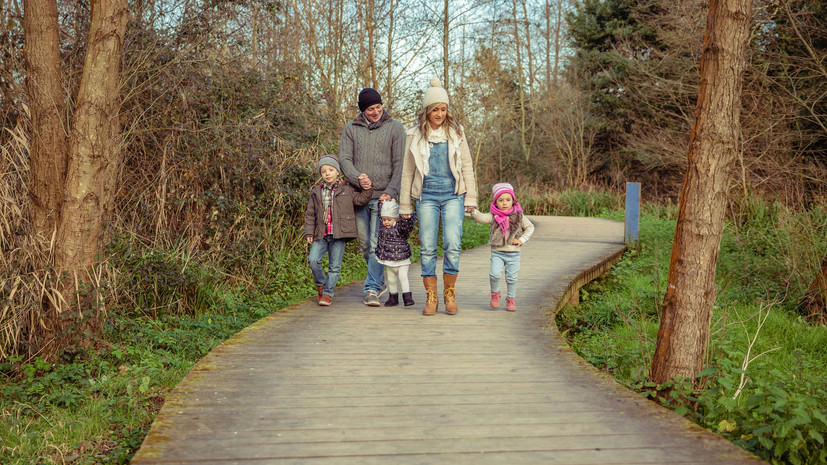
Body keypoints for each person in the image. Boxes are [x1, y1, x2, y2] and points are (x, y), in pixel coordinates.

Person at [399, 78, 478, 316]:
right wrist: (404, 203)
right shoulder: (414, 135)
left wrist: (471, 197)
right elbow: (407, 171)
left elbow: (466, 165)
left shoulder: (456, 132)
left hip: (453, 195)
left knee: (453, 244)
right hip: (427, 197)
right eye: (436, 109)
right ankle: (431, 296)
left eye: (443, 109)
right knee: (427, 247)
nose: (440, 114)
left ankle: (449, 293)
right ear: (427, 110)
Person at [339, 87, 407, 307]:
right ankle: (379, 279)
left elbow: (400, 163)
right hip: (359, 197)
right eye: (371, 109)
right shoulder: (351, 129)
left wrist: (392, 190)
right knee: (366, 245)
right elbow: (344, 159)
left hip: (384, 198)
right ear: (363, 110)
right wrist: (358, 178)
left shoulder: (395, 128)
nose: (376, 112)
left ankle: (371, 288)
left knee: (378, 243)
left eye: (378, 107)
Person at [303, 155, 373, 306]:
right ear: (321, 174)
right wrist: (309, 232)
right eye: (323, 171)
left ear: (338, 172)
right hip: (320, 234)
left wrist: (367, 189)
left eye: (331, 170)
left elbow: (361, 200)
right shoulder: (316, 192)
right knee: (313, 260)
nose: (327, 173)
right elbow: (310, 214)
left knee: (334, 267)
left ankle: (328, 294)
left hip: (339, 235)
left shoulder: (346, 190)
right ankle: (321, 284)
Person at [470, 182, 535, 312]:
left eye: (508, 200)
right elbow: (482, 218)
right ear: (495, 202)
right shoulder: (494, 216)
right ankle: (495, 294)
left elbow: (530, 227)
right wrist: (473, 211)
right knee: (494, 274)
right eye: (501, 200)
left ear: (513, 200)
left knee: (511, 278)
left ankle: (510, 300)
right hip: (497, 253)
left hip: (514, 253)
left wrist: (522, 239)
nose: (504, 203)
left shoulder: (519, 216)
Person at [375, 199, 415, 307]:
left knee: (403, 277)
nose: (386, 222)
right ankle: (393, 298)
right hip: (389, 259)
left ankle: (407, 297)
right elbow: (380, 215)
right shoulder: (382, 227)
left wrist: (406, 218)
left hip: (402, 259)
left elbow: (407, 226)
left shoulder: (400, 228)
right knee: (391, 279)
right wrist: (381, 204)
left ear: (396, 218)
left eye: (389, 219)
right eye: (384, 220)